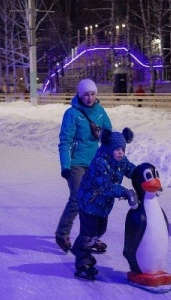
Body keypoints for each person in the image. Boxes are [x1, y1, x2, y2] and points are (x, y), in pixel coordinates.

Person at [72, 127, 138, 281]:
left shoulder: (120, 161)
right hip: (89, 203)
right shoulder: (100, 163)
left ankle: (79, 247)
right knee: (89, 234)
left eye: (122, 149)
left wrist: (143, 174)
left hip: (102, 206)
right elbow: (105, 186)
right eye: (117, 149)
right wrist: (126, 192)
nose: (120, 152)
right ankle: (82, 264)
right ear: (108, 148)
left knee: (100, 230)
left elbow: (131, 169)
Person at [55, 78, 112, 252]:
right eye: (86, 95)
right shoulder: (72, 114)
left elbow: (109, 139)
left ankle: (91, 238)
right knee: (78, 199)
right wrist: (66, 165)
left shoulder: (101, 112)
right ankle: (62, 233)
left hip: (95, 163)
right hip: (76, 163)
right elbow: (65, 141)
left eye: (93, 94)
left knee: (95, 201)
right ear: (80, 95)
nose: (90, 98)